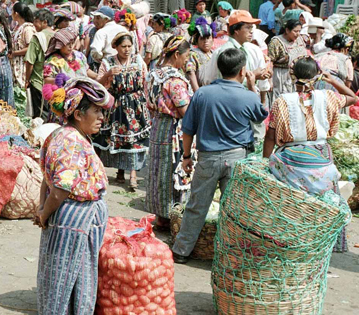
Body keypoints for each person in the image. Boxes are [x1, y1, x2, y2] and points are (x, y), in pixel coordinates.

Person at [172, 48, 268, 264]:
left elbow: (188, 130)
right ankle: (231, 255)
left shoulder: (202, 94)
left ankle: (181, 251)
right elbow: (261, 115)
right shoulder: (247, 97)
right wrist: (253, 87)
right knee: (235, 209)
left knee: (197, 206)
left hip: (208, 158)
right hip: (238, 159)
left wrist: (186, 156)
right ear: (243, 70)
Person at [36, 77, 114, 315]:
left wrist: (42, 210)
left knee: (63, 273)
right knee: (71, 275)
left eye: (102, 112)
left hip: (68, 217)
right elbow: (60, 188)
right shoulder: (71, 142)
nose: (102, 118)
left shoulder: (62, 134)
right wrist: (44, 213)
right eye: (96, 112)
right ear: (78, 115)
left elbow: (46, 180)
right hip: (76, 218)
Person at [263, 56, 356, 253]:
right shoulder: (329, 97)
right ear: (317, 76)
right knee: (327, 201)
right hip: (321, 156)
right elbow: (353, 98)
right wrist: (332, 81)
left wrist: (265, 161)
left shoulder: (282, 101)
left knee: (292, 202)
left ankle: (291, 241)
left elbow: (270, 135)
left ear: (292, 76)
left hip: (291, 157)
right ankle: (330, 244)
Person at [145, 36, 193, 231]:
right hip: (173, 129)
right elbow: (185, 110)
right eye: (186, 56)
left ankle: (161, 216)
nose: (187, 61)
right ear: (176, 54)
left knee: (159, 171)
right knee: (173, 169)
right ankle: (173, 216)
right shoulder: (175, 80)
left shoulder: (153, 74)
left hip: (158, 126)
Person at [95, 32, 151, 191]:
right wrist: (108, 74)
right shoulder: (108, 62)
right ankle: (119, 171)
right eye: (123, 46)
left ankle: (132, 174)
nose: (127, 50)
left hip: (135, 106)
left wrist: (147, 103)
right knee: (118, 140)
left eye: (129, 46)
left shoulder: (138, 60)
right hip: (116, 106)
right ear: (116, 47)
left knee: (133, 140)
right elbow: (98, 84)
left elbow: (145, 81)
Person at [25, 9, 55, 120]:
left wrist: (27, 79)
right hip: (54, 82)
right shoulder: (57, 36)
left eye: (37, 21)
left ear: (45, 22)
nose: (34, 24)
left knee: (40, 116)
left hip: (38, 81)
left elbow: (30, 62)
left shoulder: (37, 37)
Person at [268, 19, 309, 100]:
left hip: (297, 76)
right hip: (281, 75)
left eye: (299, 31)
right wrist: (269, 80)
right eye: (295, 31)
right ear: (287, 30)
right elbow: (270, 61)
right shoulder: (276, 42)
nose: (297, 34)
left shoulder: (300, 40)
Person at [10, 2, 36, 88]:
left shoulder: (27, 28)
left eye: (12, 11)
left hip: (23, 65)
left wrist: (14, 53)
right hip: (16, 64)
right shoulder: (17, 27)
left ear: (16, 13)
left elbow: (30, 48)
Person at [185, 17, 215, 92]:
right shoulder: (193, 54)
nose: (206, 41)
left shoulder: (214, 53)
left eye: (208, 38)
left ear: (213, 39)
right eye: (202, 38)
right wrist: (198, 93)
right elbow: (191, 74)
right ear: (197, 41)